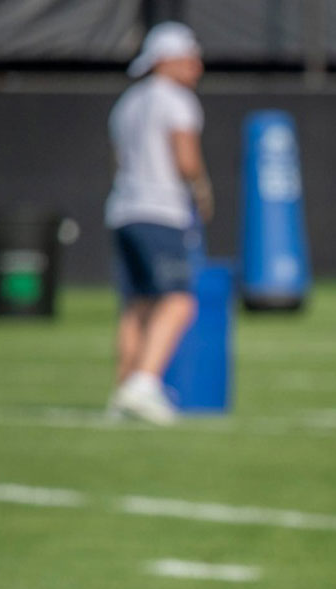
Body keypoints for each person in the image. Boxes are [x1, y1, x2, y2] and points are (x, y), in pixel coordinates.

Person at [104, 21, 210, 426]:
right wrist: (201, 190)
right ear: (168, 59)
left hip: (123, 209)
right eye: (189, 57)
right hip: (160, 210)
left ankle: (123, 388)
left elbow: (116, 160)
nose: (196, 66)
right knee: (179, 300)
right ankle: (144, 384)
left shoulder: (127, 102)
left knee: (138, 304)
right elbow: (185, 159)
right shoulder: (176, 100)